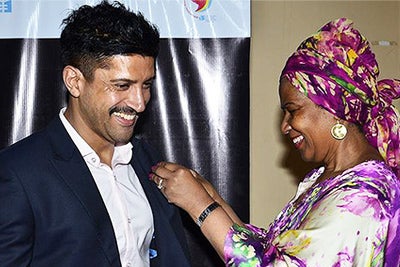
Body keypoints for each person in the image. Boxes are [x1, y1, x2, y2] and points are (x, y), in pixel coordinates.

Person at [150, 18, 400, 266]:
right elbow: (270, 252)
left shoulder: (361, 199)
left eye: (293, 110)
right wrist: (211, 196)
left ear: (334, 108)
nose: (284, 126)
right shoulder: (328, 178)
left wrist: (199, 206)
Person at [0, 1, 192, 266]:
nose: (139, 103)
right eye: (122, 85)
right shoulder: (18, 173)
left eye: (146, 85)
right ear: (74, 81)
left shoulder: (147, 159)